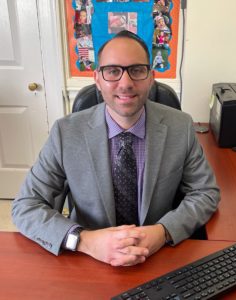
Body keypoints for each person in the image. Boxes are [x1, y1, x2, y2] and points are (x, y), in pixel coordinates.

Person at [12, 30, 220, 267]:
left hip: (158, 257)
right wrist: (85, 241)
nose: (126, 83)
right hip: (88, 260)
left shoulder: (180, 126)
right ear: (97, 79)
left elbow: (206, 192)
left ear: (151, 77)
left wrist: (163, 231)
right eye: (113, 71)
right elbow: (25, 206)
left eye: (137, 70)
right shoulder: (65, 133)